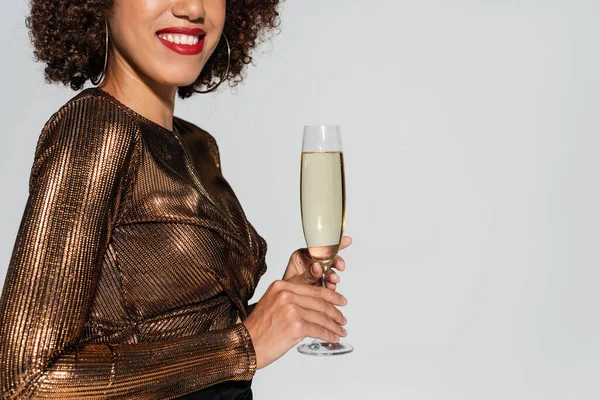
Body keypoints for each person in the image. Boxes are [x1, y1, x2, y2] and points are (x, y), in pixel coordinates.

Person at [0, 0, 352, 399]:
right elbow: (24, 380)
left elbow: (178, 345)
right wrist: (242, 345)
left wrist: (276, 311)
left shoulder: (197, 144)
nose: (192, 8)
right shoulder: (97, 131)